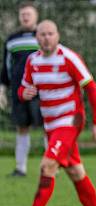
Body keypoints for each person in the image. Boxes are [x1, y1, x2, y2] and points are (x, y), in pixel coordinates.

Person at [9, 20, 96, 206]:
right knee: (76, 172)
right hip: (51, 126)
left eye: (51, 34)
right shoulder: (32, 61)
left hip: (71, 121)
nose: (47, 38)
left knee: (47, 166)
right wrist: (22, 94)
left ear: (58, 35)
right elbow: (24, 89)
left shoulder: (69, 58)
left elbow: (91, 88)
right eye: (42, 34)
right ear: (37, 37)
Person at [0, 1, 42, 177]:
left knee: (49, 128)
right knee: (21, 127)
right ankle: (20, 168)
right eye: (23, 14)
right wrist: (2, 89)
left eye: (29, 14)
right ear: (19, 17)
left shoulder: (43, 36)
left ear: (36, 16)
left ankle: (54, 167)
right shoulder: (12, 39)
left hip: (42, 92)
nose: (25, 17)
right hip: (19, 92)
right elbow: (6, 67)